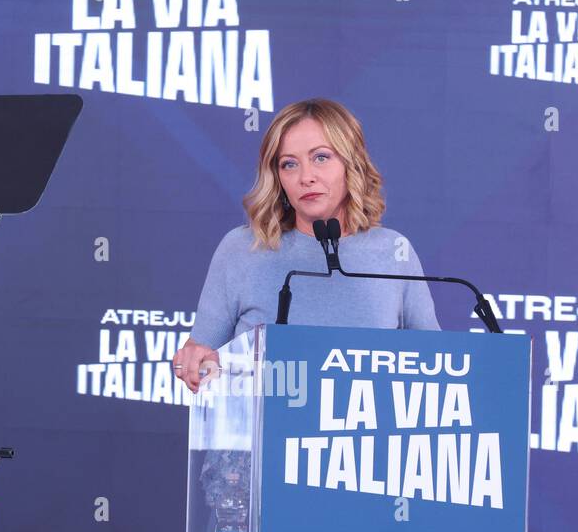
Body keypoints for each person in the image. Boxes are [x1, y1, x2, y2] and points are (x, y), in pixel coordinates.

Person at [171, 97, 440, 392]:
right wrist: (192, 362)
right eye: (289, 164)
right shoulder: (242, 248)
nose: (306, 177)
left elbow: (436, 365)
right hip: (265, 432)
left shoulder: (393, 251)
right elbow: (198, 356)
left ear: (352, 164)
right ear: (278, 178)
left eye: (321, 157)